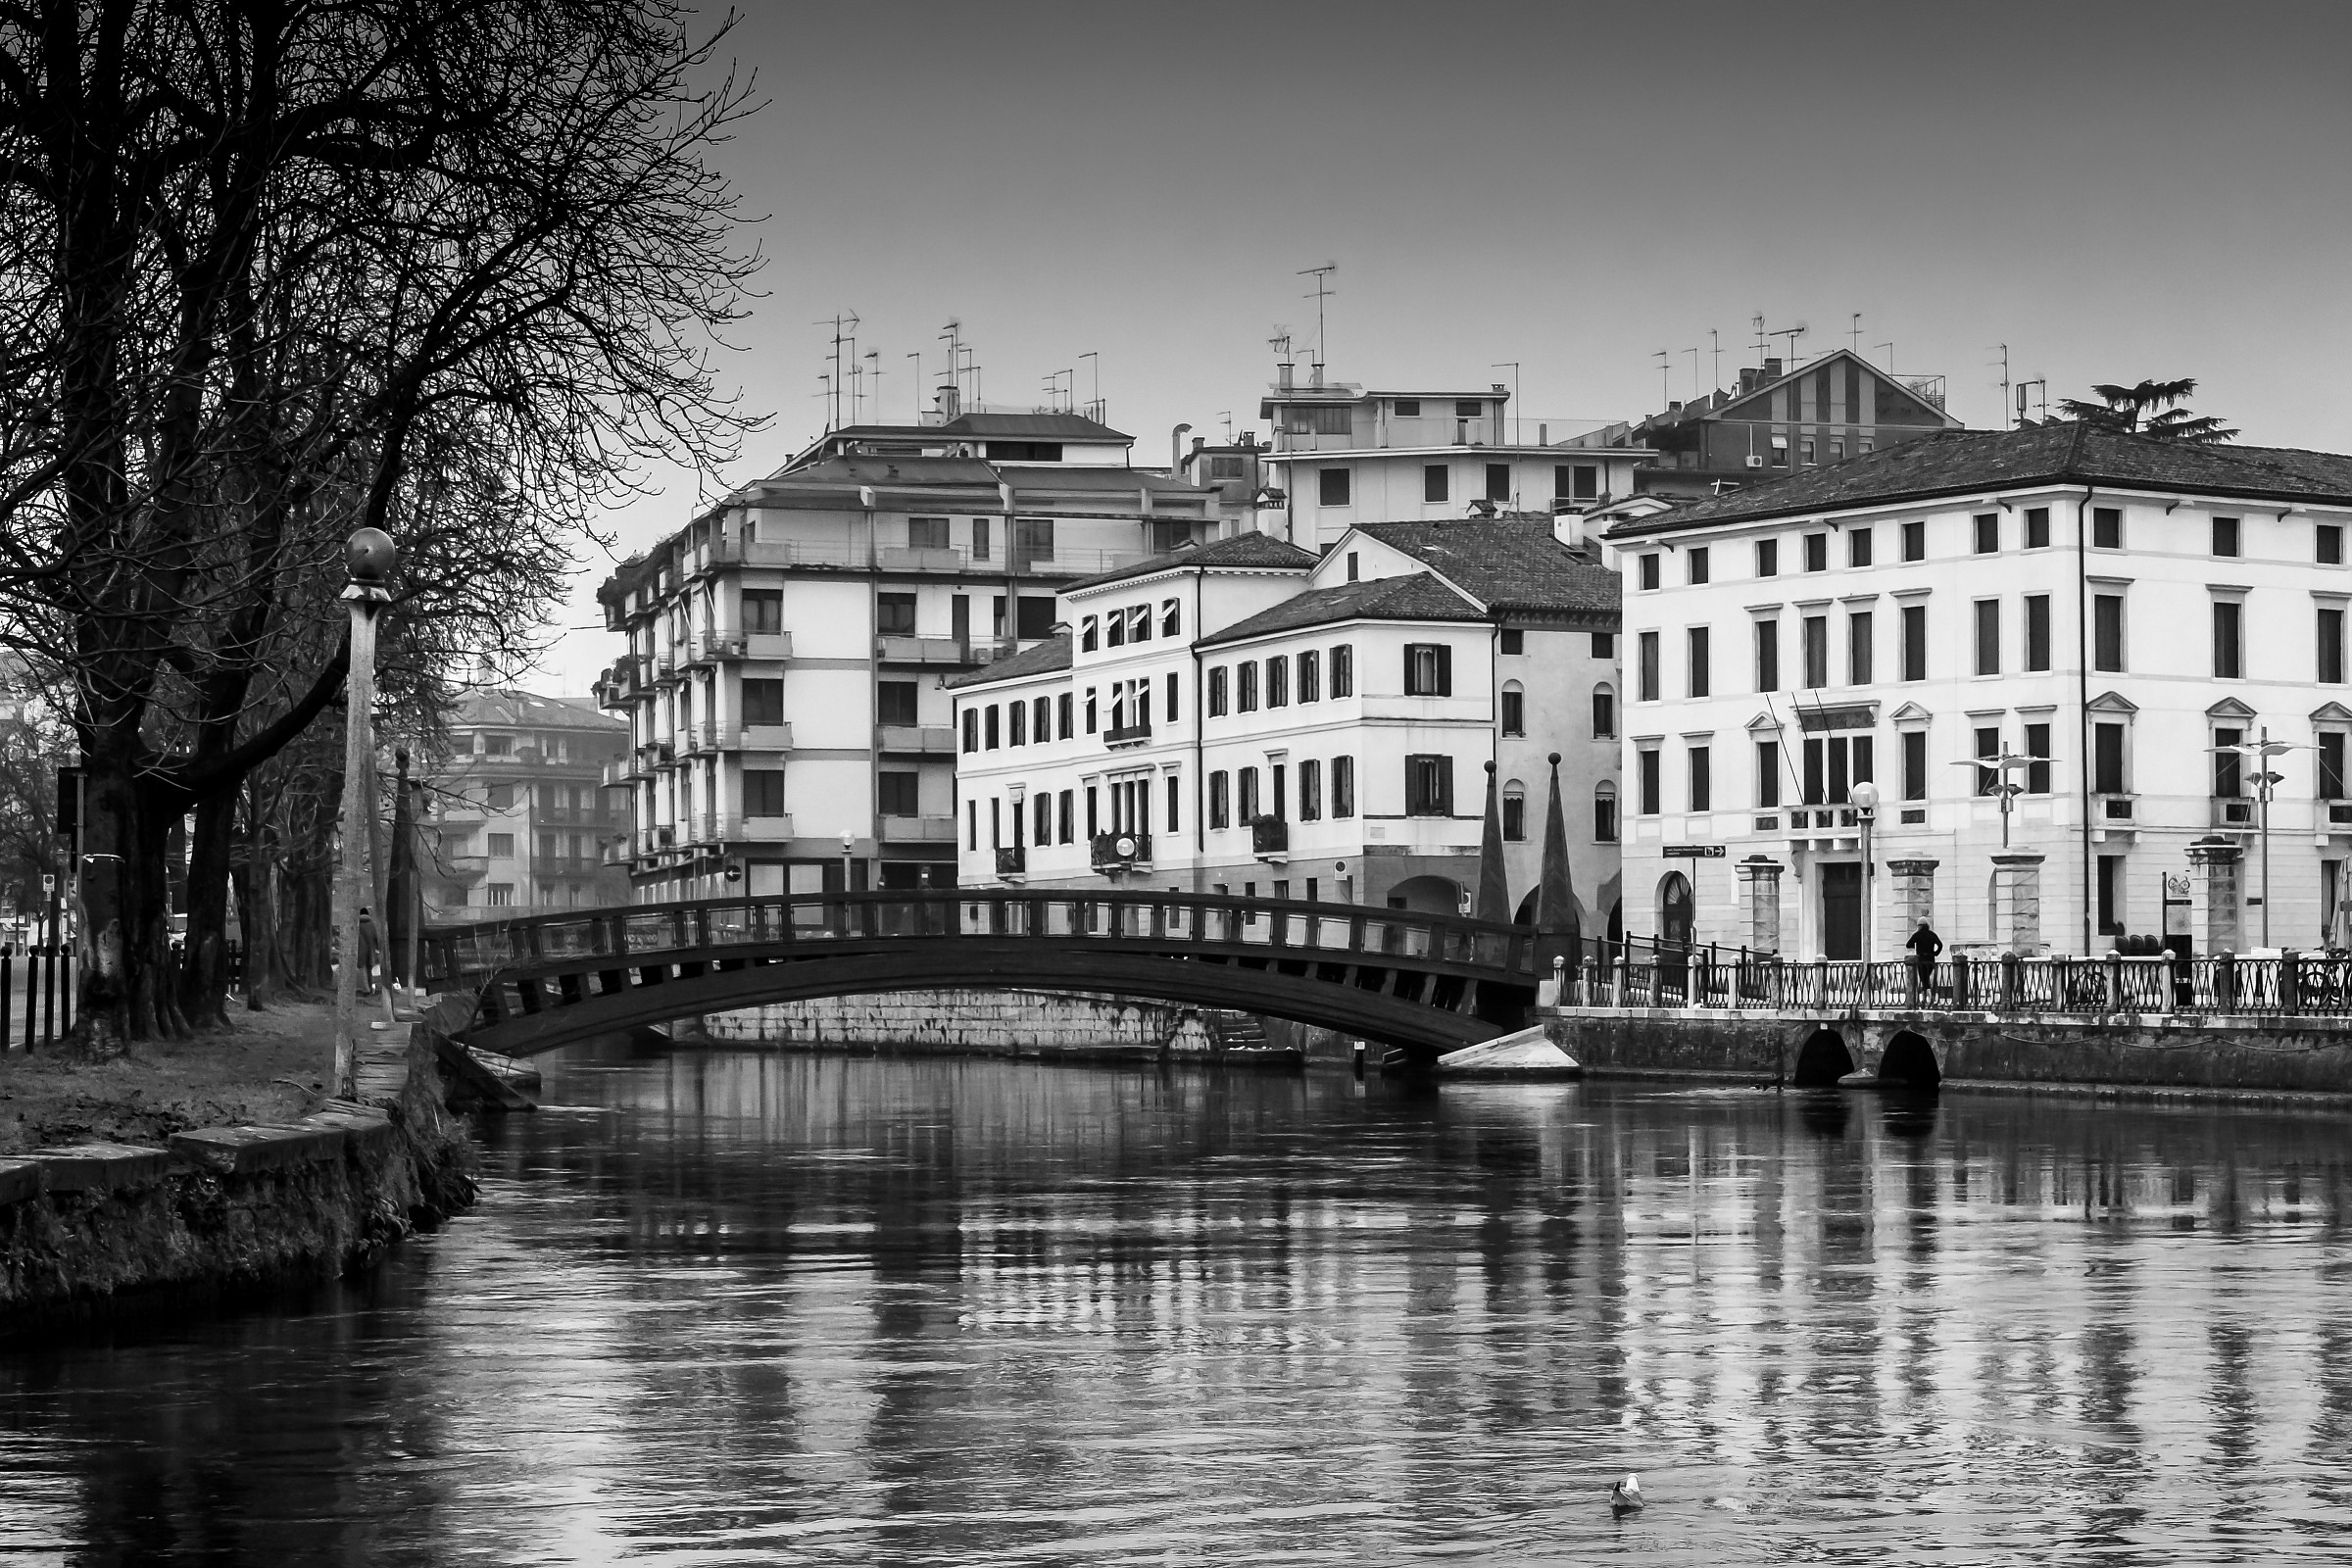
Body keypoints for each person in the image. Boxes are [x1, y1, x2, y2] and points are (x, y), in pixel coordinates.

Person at [1905, 916, 1943, 996]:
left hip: (1921, 960)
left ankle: (1926, 996)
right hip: (1930, 960)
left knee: (1924, 979)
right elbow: (1940, 945)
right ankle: (1928, 996)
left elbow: (1908, 944)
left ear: (1919, 926)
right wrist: (1935, 953)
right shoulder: (1932, 934)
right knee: (1927, 978)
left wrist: (1914, 946)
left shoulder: (1917, 934)